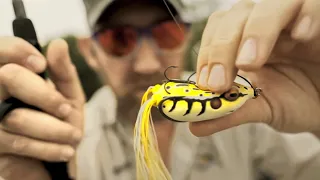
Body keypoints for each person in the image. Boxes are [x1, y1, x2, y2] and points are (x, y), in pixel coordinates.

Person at [0, 0, 320, 180]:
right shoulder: (76, 142)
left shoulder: (247, 109)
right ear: (89, 51)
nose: (147, 64)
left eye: (166, 34)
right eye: (119, 40)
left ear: (188, 35)